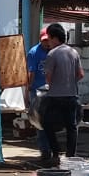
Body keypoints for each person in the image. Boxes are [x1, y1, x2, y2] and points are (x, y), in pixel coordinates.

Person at [40, 23, 84, 164]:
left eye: (50, 39)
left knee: (46, 123)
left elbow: (48, 77)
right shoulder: (74, 52)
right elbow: (81, 75)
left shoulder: (52, 54)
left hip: (55, 96)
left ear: (53, 38)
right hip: (72, 95)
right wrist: (69, 81)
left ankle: (55, 152)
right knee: (71, 126)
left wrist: (55, 84)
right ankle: (71, 156)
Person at [25, 28, 52, 162]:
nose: (47, 44)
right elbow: (31, 73)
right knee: (40, 123)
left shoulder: (55, 51)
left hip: (52, 92)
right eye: (45, 41)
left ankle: (51, 149)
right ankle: (45, 150)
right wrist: (28, 90)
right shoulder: (34, 53)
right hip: (37, 92)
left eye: (49, 40)